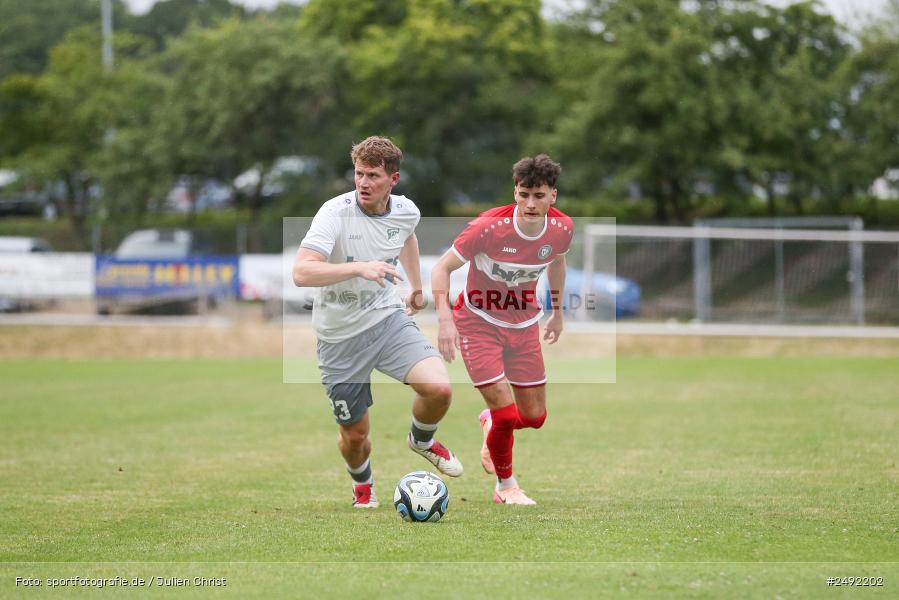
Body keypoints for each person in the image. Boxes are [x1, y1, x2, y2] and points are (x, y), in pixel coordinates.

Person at [293, 136, 463, 509]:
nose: (363, 183)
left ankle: (422, 441)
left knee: (439, 389)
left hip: (387, 320)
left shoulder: (406, 210)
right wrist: (360, 267)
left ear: (393, 179)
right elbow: (302, 273)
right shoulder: (334, 213)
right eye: (358, 173)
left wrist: (417, 287)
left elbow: (406, 236)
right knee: (355, 435)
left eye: (372, 175)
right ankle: (363, 486)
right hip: (339, 338)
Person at [431, 154, 572, 505]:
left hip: (524, 326)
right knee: (507, 414)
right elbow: (441, 269)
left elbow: (557, 263)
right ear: (515, 192)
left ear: (552, 196)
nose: (530, 203)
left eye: (538, 196)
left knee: (534, 417)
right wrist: (445, 318)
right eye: (524, 194)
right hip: (478, 323)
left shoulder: (561, 229)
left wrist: (556, 310)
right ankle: (506, 487)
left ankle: (490, 422)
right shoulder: (488, 227)